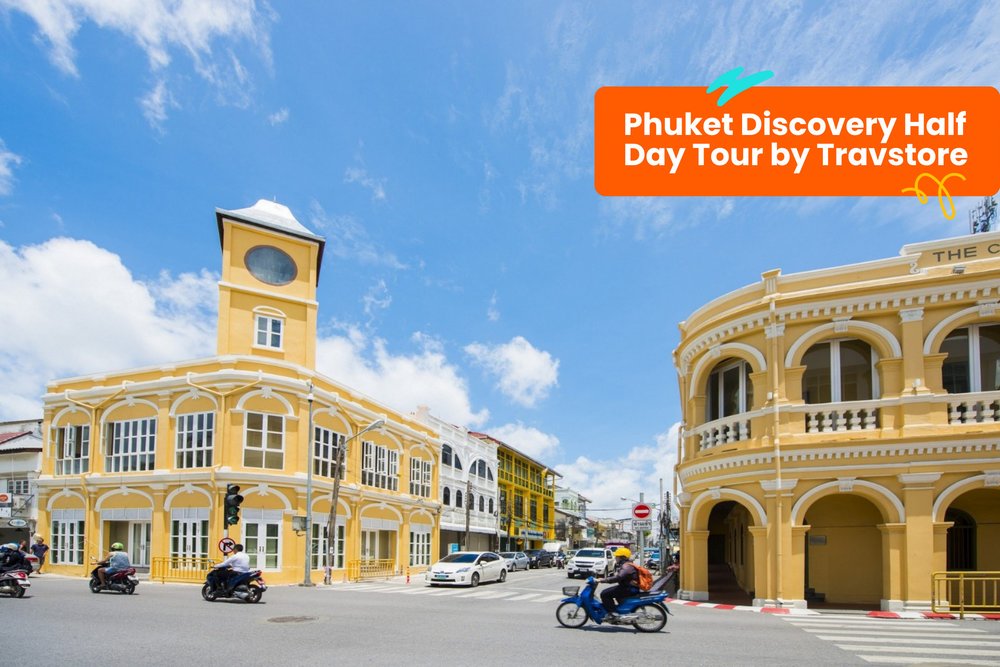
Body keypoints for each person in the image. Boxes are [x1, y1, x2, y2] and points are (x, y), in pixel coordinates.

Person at [598, 547, 640, 618]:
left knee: (604, 594)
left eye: (617, 556)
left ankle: (612, 613)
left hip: (629, 588)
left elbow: (618, 577)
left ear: (622, 557)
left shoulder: (626, 566)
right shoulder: (627, 564)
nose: (615, 558)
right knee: (612, 592)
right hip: (628, 587)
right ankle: (619, 611)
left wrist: (603, 580)